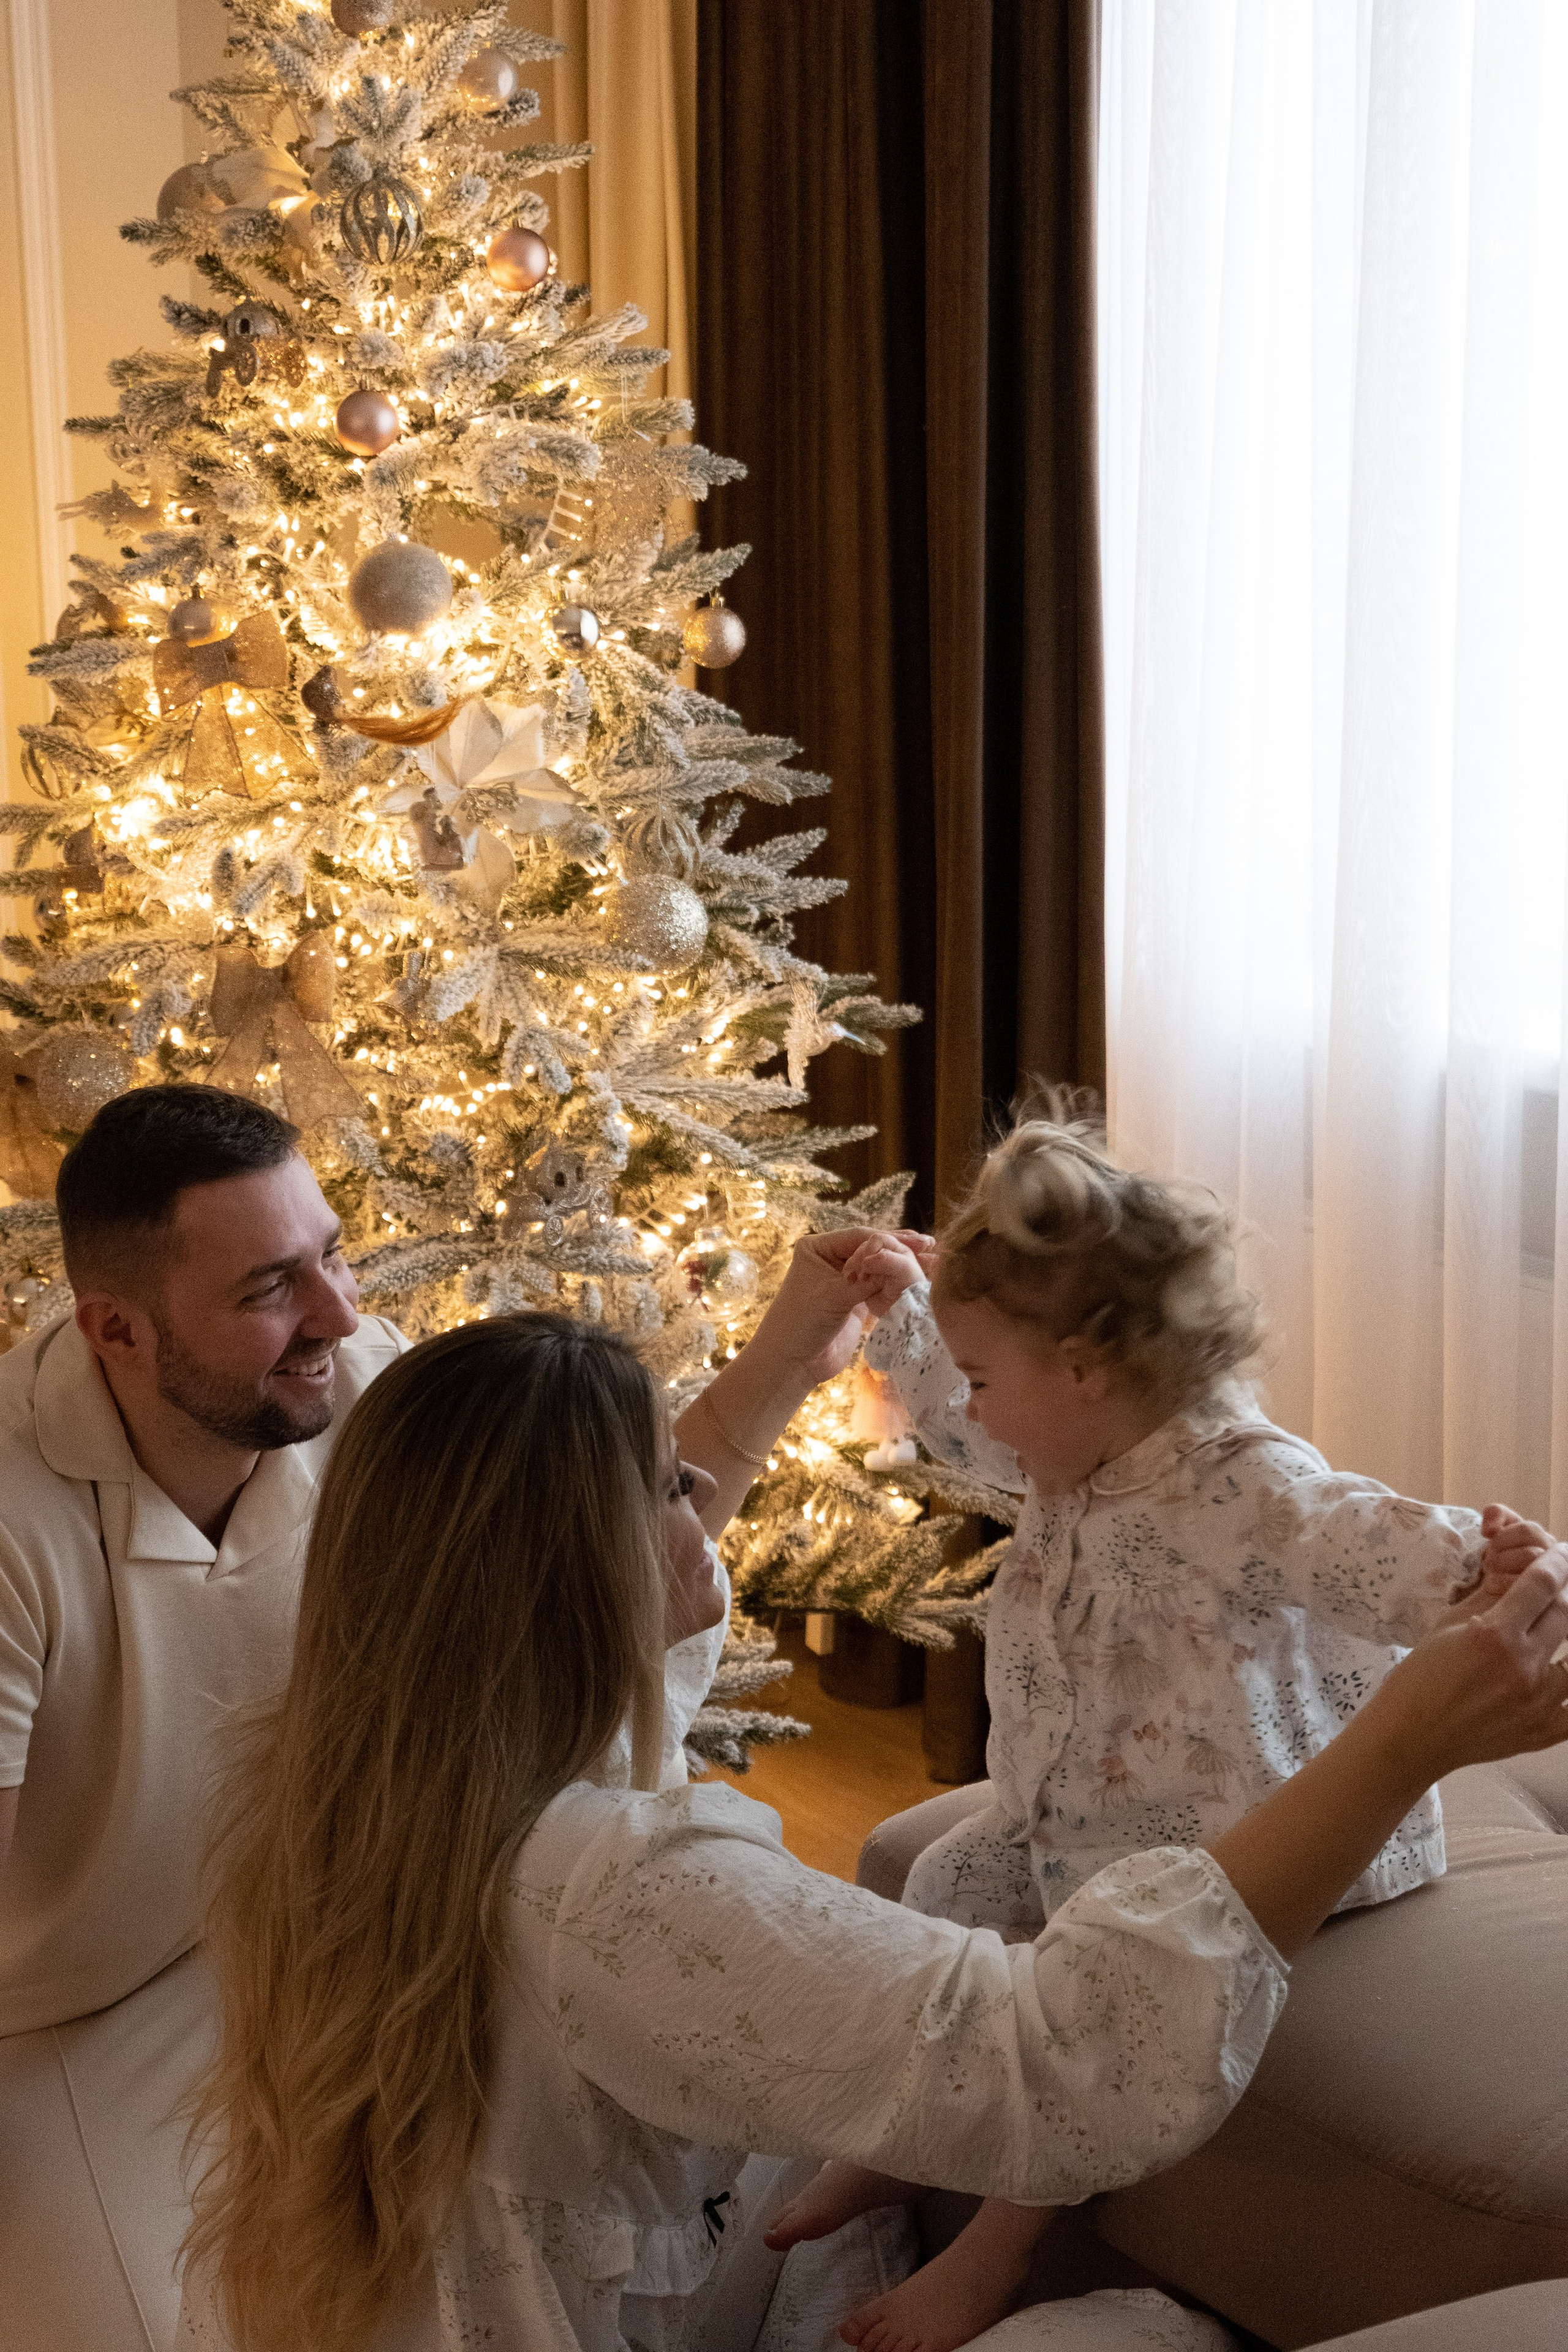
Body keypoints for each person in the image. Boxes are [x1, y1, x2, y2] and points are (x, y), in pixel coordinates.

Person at [177, 1306, 1568, 2352]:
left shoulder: (355, 1765)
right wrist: (1399, 1743)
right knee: (1144, 2339)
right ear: (577, 1572)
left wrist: (794, 1344)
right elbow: (1063, 2063)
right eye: (666, 1491)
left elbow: (658, 1603)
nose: (703, 1517)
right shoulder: (619, 1891)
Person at [0, 1083, 878, 2352]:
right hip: (73, 2023)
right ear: (116, 1332)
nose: (340, 1315)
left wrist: (788, 1358)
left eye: (334, 1255)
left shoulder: (359, 1384)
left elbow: (605, 1545)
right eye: (267, 1292)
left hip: (344, 1946)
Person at [764, 1106, 1549, 2352]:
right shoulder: (1070, 1445)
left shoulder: (1238, 1479)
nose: (971, 1406)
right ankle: (899, 2143)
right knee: (945, 1878)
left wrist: (1500, 1570)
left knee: (1100, 2000)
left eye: (986, 1377)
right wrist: (905, 1303)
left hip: (1251, 1847)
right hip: (1070, 1820)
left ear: (1081, 1366)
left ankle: (996, 2242)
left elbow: (1372, 1546)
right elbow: (957, 1410)